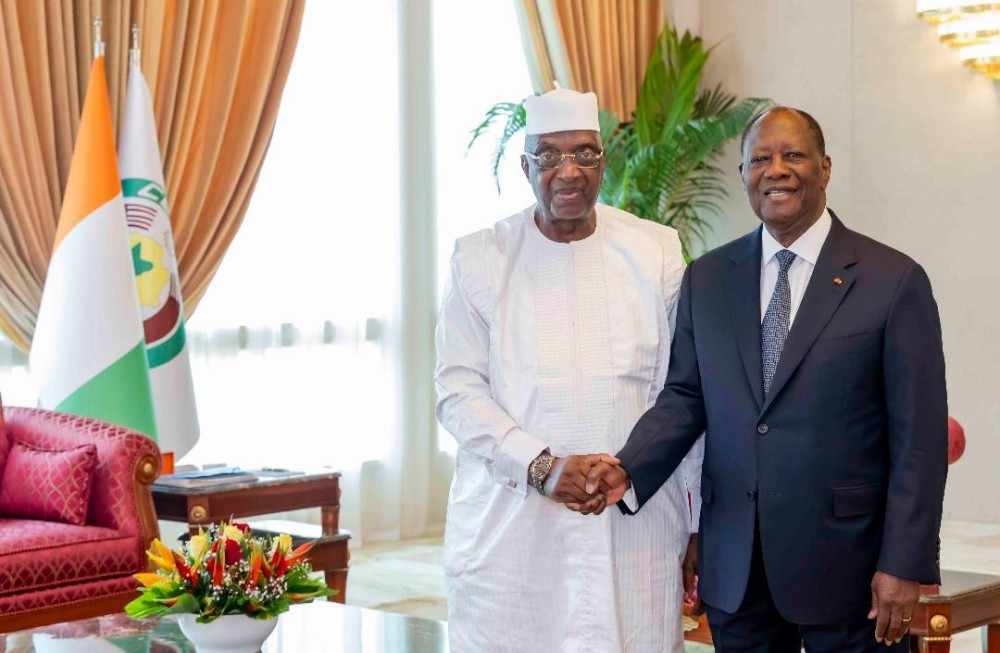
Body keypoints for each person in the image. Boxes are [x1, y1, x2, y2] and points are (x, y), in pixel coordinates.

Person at [585, 106, 948, 652]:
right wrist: (627, 468)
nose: (775, 170)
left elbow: (919, 438)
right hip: (738, 566)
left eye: (792, 155)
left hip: (849, 566)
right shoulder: (708, 278)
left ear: (825, 168)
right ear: (743, 175)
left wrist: (904, 562)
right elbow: (685, 396)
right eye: (759, 159)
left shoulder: (892, 280)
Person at [434, 86, 701, 652]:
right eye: (549, 155)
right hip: (514, 527)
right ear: (525, 166)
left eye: (584, 153)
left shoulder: (655, 252)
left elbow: (685, 392)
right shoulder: (480, 258)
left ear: (603, 159)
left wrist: (698, 518)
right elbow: (457, 391)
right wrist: (539, 465)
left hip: (632, 522)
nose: (569, 171)